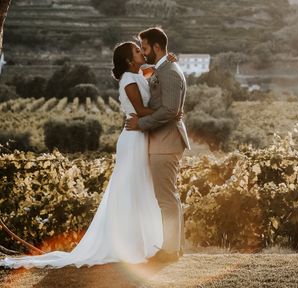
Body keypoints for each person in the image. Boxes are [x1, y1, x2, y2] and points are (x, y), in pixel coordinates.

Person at [0, 41, 181, 268]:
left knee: (142, 187)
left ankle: (148, 241)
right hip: (133, 137)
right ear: (128, 60)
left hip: (141, 133)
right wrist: (171, 111)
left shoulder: (141, 73)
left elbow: (158, 72)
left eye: (141, 49)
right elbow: (142, 111)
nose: (141, 52)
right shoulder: (128, 79)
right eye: (137, 50)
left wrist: (168, 61)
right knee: (130, 188)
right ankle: (127, 243)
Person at [125, 27, 190, 263]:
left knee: (166, 198)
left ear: (157, 47)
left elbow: (171, 109)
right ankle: (175, 247)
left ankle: (170, 250)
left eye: (145, 47)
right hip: (162, 141)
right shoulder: (164, 67)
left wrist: (141, 123)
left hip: (166, 141)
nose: (143, 52)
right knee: (168, 197)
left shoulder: (170, 71)